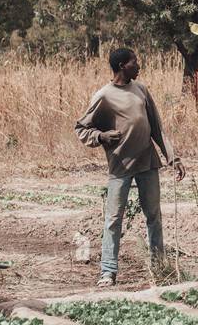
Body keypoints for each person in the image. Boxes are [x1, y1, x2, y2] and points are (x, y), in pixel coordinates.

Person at [74, 47, 185, 287]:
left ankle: (159, 268)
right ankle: (108, 272)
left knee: (153, 216)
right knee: (114, 219)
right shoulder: (104, 96)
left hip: (148, 163)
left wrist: (172, 157)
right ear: (123, 66)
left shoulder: (141, 90)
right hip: (120, 166)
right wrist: (101, 137)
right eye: (135, 62)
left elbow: (157, 128)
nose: (139, 65)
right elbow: (81, 128)